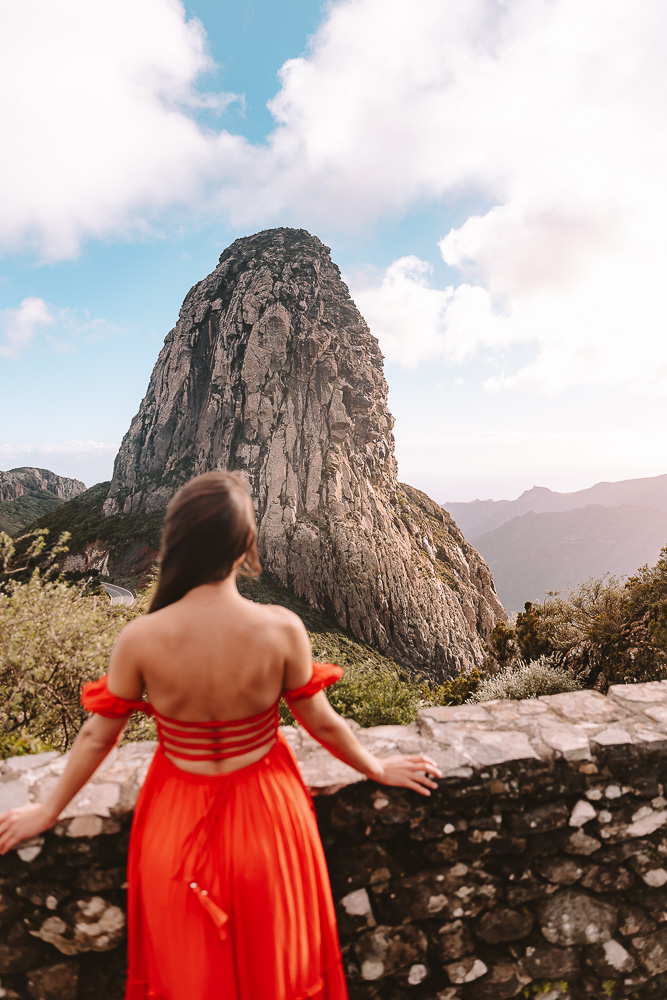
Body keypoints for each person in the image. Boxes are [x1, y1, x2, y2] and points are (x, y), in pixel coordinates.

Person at [0, 471, 442, 1000]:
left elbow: (97, 738)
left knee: (188, 978)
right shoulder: (281, 629)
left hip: (174, 819)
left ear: (176, 542)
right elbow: (322, 722)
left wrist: (47, 812)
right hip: (268, 818)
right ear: (245, 547)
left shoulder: (140, 637)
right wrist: (377, 768)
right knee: (279, 976)